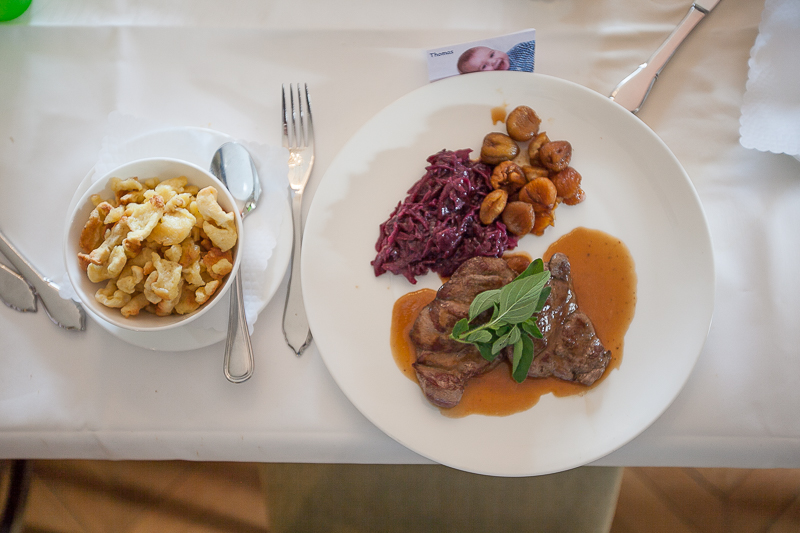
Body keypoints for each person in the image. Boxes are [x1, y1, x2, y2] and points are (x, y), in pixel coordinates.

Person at [457, 41, 536, 74]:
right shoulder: (496, 83)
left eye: (492, 55)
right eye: (484, 66)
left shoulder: (521, 50)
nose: (493, 61)